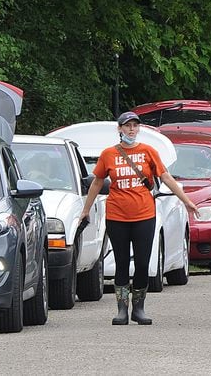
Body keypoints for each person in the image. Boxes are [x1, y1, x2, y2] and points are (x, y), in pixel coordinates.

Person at [80, 111, 197, 326]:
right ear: (120, 129)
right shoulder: (109, 154)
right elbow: (97, 182)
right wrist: (86, 209)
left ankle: (139, 308)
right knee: (122, 262)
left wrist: (186, 200)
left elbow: (165, 177)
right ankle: (122, 310)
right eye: (127, 126)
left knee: (143, 263)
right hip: (117, 216)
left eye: (135, 125)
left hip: (144, 215)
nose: (131, 129)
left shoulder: (147, 152)